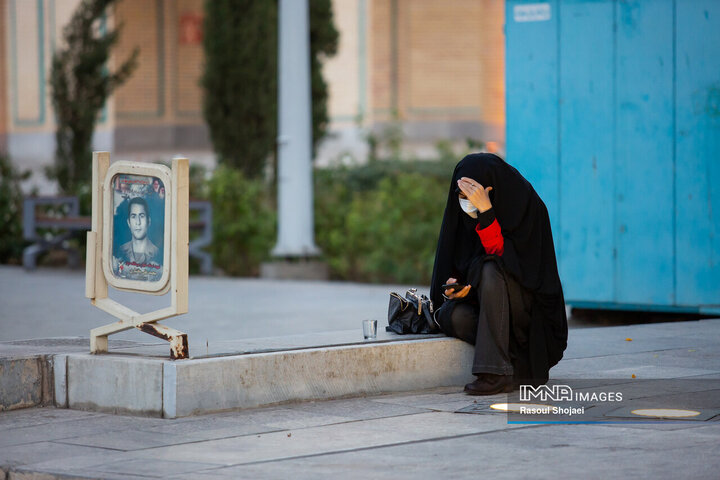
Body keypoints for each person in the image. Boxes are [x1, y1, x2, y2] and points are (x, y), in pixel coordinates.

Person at [430, 153, 568, 395]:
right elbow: (461, 263)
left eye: (473, 196)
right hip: (491, 308)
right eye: (461, 196)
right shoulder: (463, 217)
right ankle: (515, 364)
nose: (466, 203)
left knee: (490, 268)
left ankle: (494, 374)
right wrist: (458, 285)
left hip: (528, 310)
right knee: (454, 316)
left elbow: (508, 262)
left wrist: (487, 212)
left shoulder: (529, 210)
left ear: (491, 189)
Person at [119, 197, 159, 265]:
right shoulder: (121, 252)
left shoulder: (157, 254)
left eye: (142, 216)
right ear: (129, 223)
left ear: (148, 221)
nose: (138, 222)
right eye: (133, 216)